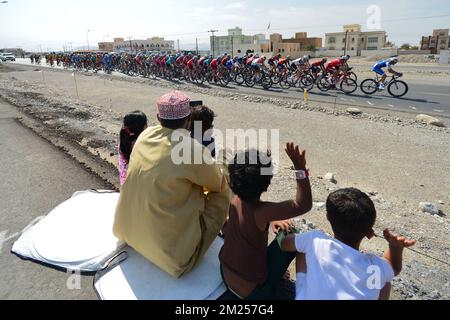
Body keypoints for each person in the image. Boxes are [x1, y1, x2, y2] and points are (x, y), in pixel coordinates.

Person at [113, 91, 231, 278]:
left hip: (125, 230)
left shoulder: (146, 135)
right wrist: (223, 159)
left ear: (158, 117)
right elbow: (219, 184)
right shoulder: (190, 149)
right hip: (171, 257)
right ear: (188, 119)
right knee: (224, 190)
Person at [281, 188, 416, 300]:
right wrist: (394, 247)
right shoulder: (374, 266)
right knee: (384, 281)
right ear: (369, 233)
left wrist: (281, 224)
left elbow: (284, 243)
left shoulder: (316, 240)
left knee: (302, 249)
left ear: (328, 217)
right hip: (377, 266)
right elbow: (393, 268)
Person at [219, 142, 313, 300]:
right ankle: (292, 286)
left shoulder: (234, 198)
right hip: (254, 293)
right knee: (292, 233)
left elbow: (237, 225)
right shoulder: (261, 212)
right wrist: (300, 168)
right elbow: (302, 205)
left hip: (225, 274)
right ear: (267, 184)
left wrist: (272, 218)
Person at [118, 111, 148, 186]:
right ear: (143, 127)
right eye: (146, 123)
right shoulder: (140, 144)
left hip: (125, 182)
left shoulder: (124, 139)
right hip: (137, 185)